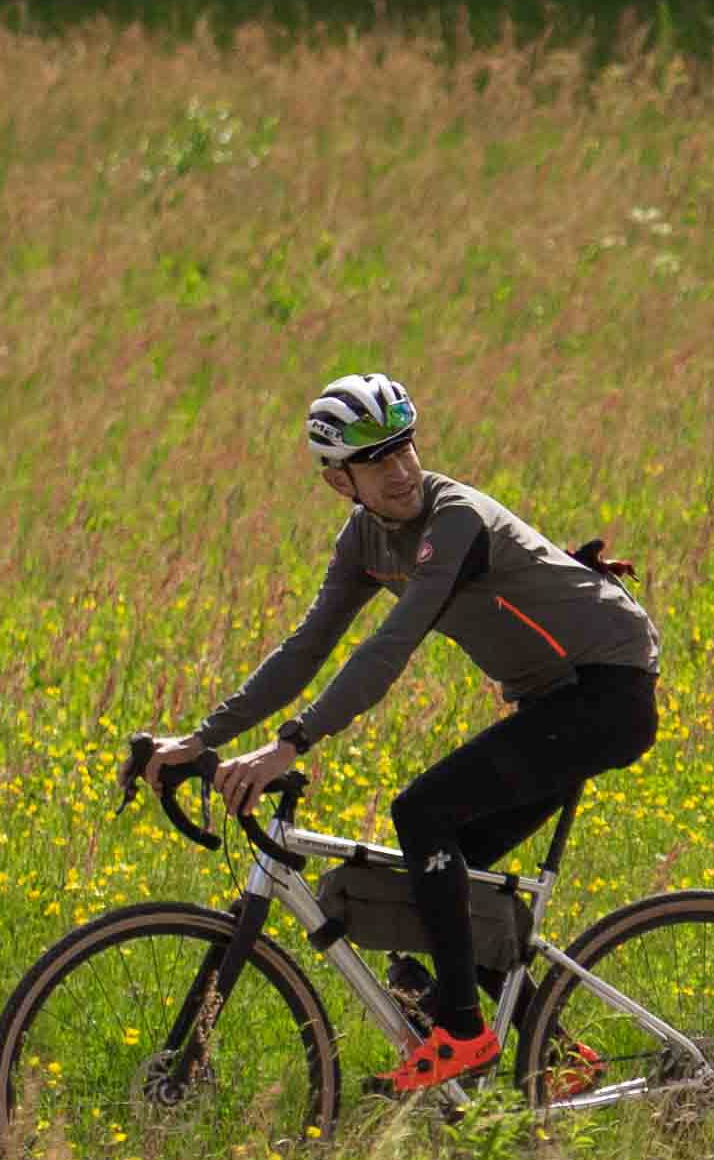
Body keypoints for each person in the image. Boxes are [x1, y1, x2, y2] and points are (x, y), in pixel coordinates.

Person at [158, 370, 660, 1098]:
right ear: (340, 481)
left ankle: (462, 1033)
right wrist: (201, 740)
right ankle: (558, 1060)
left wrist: (291, 742)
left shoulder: (454, 520)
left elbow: (389, 646)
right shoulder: (365, 539)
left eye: (404, 448)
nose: (399, 471)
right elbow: (305, 648)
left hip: (606, 691)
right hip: (554, 703)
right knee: (445, 894)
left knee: (422, 813)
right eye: (375, 461)